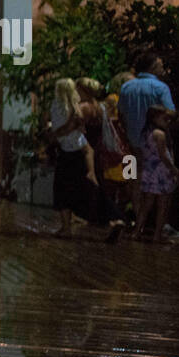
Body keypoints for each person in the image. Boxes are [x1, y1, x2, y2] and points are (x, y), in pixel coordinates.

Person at [119, 52, 175, 221]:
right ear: (151, 67)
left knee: (133, 179)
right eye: (159, 65)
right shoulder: (160, 88)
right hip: (155, 143)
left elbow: (120, 113)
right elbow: (170, 112)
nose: (163, 68)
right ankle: (152, 223)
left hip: (132, 142)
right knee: (159, 185)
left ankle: (137, 217)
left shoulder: (126, 87)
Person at [76, 77, 126, 241]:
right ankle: (110, 218)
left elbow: (77, 128)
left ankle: (115, 216)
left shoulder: (83, 107)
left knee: (91, 185)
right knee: (99, 185)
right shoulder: (100, 107)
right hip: (99, 152)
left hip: (86, 151)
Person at [49, 77, 94, 238]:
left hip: (66, 150)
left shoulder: (58, 106)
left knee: (62, 190)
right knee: (83, 188)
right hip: (80, 149)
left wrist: (55, 134)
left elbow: (59, 130)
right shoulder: (77, 107)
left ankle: (66, 226)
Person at [133, 105, 179, 242]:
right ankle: (157, 235)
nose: (168, 121)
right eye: (165, 118)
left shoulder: (146, 132)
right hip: (161, 172)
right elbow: (163, 155)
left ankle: (136, 231)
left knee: (146, 204)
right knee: (162, 205)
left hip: (149, 170)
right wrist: (174, 169)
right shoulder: (160, 134)